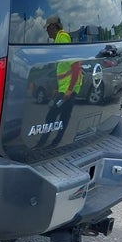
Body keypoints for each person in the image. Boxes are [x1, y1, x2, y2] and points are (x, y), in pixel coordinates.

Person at [37, 15, 83, 148]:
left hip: (69, 90)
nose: (46, 31)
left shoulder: (62, 38)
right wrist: (59, 87)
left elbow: (75, 66)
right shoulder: (59, 39)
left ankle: (44, 143)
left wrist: (69, 90)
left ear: (52, 26)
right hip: (66, 88)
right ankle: (55, 142)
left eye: (47, 28)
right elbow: (64, 68)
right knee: (64, 116)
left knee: (52, 115)